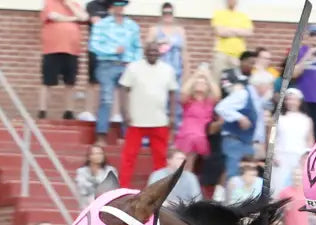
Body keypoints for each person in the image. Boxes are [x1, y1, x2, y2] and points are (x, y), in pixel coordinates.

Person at [117, 40, 178, 188]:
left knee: (160, 158)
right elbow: (123, 89)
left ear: (159, 53)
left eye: (155, 51)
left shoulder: (167, 69)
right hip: (136, 120)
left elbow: (172, 93)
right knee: (129, 156)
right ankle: (123, 187)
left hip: (159, 121)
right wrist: (124, 112)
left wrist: (171, 115)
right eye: (150, 51)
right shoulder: (133, 67)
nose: (152, 53)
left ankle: (158, 188)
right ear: (144, 52)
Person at [89, 0, 142, 142]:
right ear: (111, 7)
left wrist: (134, 62)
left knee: (127, 101)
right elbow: (93, 46)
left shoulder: (132, 26)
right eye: (116, 5)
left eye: (122, 5)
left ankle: (127, 135)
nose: (119, 8)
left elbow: (138, 48)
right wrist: (113, 50)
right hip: (107, 64)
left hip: (127, 66)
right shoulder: (102, 25)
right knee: (106, 99)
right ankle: (101, 135)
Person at [39, 0, 87, 120]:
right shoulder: (49, 3)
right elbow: (53, 16)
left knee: (70, 82)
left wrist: (69, 5)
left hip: (72, 50)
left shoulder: (74, 4)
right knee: (47, 82)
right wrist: (72, 18)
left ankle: (69, 111)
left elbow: (84, 17)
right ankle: (42, 111)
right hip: (52, 49)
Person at [175, 66, 219, 173]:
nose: (201, 84)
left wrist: (208, 76)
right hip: (186, 136)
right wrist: (195, 75)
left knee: (190, 165)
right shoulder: (188, 101)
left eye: (204, 83)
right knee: (181, 164)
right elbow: (184, 92)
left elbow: (217, 94)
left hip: (201, 138)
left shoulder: (209, 102)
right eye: (198, 83)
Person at [272, 88, 314, 191]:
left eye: (294, 99)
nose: (291, 102)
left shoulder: (306, 119)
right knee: (278, 186)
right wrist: (272, 155)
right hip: (281, 157)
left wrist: (309, 158)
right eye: (288, 99)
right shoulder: (278, 118)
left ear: (299, 101)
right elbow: (271, 138)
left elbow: (310, 140)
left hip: (299, 157)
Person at [75, 143, 119, 209]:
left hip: (105, 206)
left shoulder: (110, 171)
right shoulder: (81, 172)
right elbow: (83, 189)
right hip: (87, 207)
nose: (99, 156)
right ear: (89, 157)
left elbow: (110, 189)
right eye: (96, 154)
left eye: (101, 153)